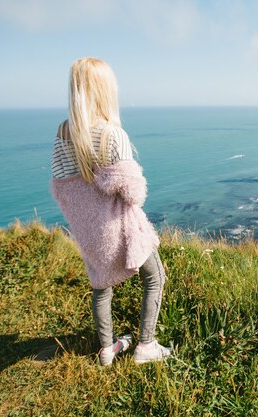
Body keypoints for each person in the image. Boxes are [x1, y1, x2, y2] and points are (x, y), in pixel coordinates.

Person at [50, 57, 171, 366]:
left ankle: (107, 350)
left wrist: (86, 218)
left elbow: (61, 188)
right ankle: (146, 345)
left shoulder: (63, 133)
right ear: (103, 90)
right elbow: (134, 193)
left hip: (90, 231)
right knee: (155, 277)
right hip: (121, 228)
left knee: (101, 288)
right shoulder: (112, 134)